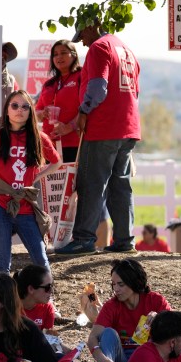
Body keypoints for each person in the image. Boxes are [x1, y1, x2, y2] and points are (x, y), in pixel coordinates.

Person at [56, 21, 141, 255]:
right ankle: (125, 239)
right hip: (128, 126)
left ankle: (84, 238)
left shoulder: (99, 47)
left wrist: (84, 111)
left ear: (92, 26)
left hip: (104, 127)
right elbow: (135, 90)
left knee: (92, 183)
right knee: (120, 185)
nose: (82, 41)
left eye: (82, 34)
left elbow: (98, 86)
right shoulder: (126, 49)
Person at [0, 90, 61, 273]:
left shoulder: (39, 138)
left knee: (42, 262)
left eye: (25, 106)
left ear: (31, 111)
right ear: (6, 110)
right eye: (14, 105)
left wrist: (37, 177)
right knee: (2, 265)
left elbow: (57, 162)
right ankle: (4, 300)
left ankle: (46, 299)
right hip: (0, 207)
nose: (19, 110)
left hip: (26, 207)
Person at [87, 259, 172, 362]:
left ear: (134, 282)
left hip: (151, 360)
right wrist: (101, 357)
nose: (116, 289)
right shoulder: (111, 306)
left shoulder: (155, 300)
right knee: (108, 333)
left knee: (175, 335)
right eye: (113, 284)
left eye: (121, 284)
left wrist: (160, 319)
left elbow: (178, 329)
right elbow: (93, 337)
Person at [35, 39, 83, 163]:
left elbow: (88, 107)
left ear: (73, 55)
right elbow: (36, 113)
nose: (59, 57)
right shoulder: (48, 84)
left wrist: (69, 126)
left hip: (74, 143)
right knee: (49, 182)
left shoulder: (82, 76)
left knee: (72, 182)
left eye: (63, 53)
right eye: (55, 54)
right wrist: (42, 113)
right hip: (48, 145)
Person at [13, 264, 59, 335]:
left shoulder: (47, 307)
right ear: (31, 289)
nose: (51, 291)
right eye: (47, 287)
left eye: (52, 285)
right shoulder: (8, 308)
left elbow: (49, 339)